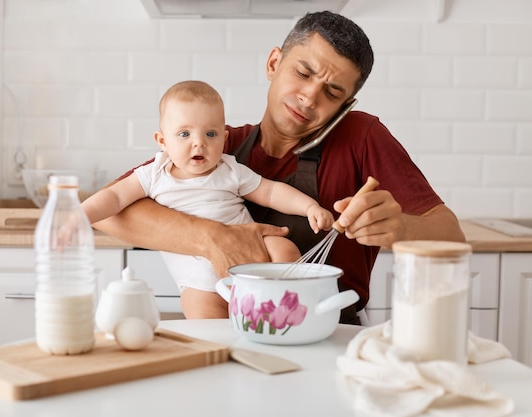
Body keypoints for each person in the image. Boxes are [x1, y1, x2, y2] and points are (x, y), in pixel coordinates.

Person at [91, 11, 466, 324]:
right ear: (274, 63)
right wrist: (212, 238)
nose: (309, 96)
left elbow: (450, 236)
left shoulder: (361, 136)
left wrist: (400, 227)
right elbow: (106, 212)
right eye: (303, 73)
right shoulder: (219, 148)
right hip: (235, 328)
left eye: (332, 93)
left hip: (328, 335)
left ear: (346, 105)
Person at [82, 80, 334, 319]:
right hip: (200, 284)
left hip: (253, 265)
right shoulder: (154, 174)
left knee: (285, 249)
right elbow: (114, 196)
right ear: (162, 141)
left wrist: (309, 207)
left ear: (224, 140)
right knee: (206, 322)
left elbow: (271, 192)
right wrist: (78, 215)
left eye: (211, 134)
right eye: (184, 134)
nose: (199, 143)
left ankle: (287, 310)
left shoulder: (230, 170)